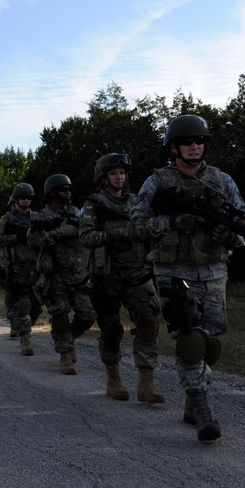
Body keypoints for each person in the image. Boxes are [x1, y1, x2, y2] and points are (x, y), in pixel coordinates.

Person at [132, 114, 245, 442]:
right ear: (174, 148)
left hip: (213, 273)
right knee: (190, 339)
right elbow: (137, 226)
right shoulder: (157, 182)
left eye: (199, 142)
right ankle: (201, 407)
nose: (194, 147)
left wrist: (228, 233)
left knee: (209, 342)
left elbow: (242, 230)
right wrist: (171, 222)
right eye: (187, 142)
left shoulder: (222, 182)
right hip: (172, 272)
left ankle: (191, 401)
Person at [79, 154, 164, 404]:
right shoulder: (94, 204)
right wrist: (118, 233)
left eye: (122, 173)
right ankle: (113, 379)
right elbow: (85, 236)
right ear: (103, 177)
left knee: (148, 324)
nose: (120, 177)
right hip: (108, 276)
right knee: (112, 330)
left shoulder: (137, 201)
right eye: (114, 173)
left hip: (139, 273)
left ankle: (146, 384)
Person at [27, 174, 96, 375]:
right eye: (63, 189)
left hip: (79, 273)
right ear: (52, 192)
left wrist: (76, 230)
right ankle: (65, 355)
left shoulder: (78, 213)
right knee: (60, 313)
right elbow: (33, 242)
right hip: (55, 274)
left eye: (69, 189)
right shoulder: (42, 216)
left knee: (88, 314)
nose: (68, 192)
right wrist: (58, 233)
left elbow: (89, 234)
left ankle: (67, 338)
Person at [0, 183, 42, 355]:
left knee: (36, 306)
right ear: (16, 200)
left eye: (29, 198)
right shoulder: (7, 219)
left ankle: (18, 322)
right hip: (15, 266)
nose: (26, 201)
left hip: (36, 266)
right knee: (23, 303)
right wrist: (16, 237)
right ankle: (25, 340)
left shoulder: (37, 217)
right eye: (23, 198)